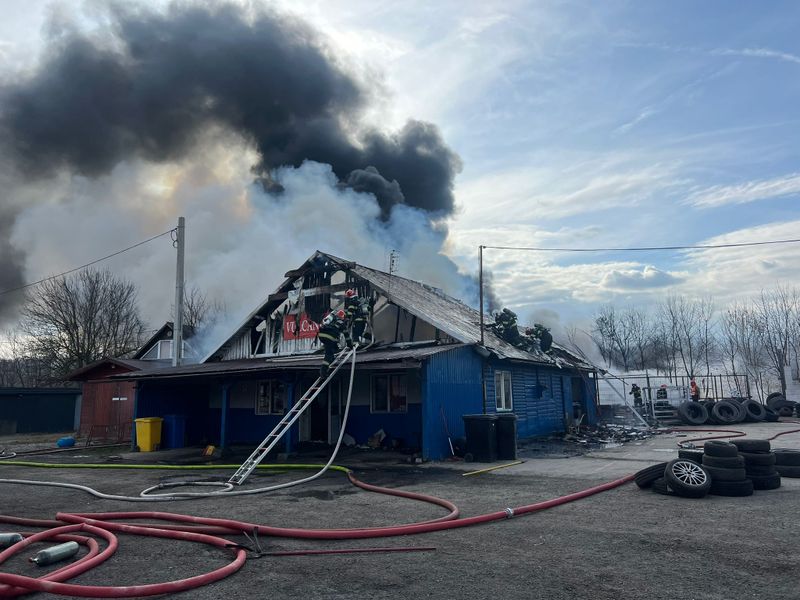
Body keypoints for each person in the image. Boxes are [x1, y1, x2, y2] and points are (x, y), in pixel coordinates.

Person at [317, 309, 348, 376]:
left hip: (321, 335)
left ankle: (331, 358)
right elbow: (347, 337)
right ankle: (323, 372)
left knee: (333, 347)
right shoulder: (341, 323)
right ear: (343, 317)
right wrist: (351, 346)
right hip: (329, 337)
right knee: (329, 354)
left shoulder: (331, 319)